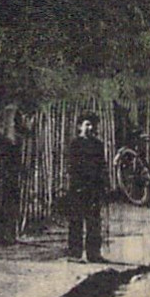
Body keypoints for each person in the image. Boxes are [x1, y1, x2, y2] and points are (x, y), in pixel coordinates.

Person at [64, 112, 108, 263]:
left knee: (94, 221)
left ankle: (94, 254)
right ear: (79, 127)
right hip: (78, 187)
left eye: (93, 125)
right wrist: (75, 184)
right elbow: (72, 166)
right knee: (76, 220)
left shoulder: (98, 145)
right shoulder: (75, 144)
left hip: (94, 187)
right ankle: (74, 254)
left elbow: (102, 166)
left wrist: (103, 185)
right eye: (87, 124)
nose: (90, 127)